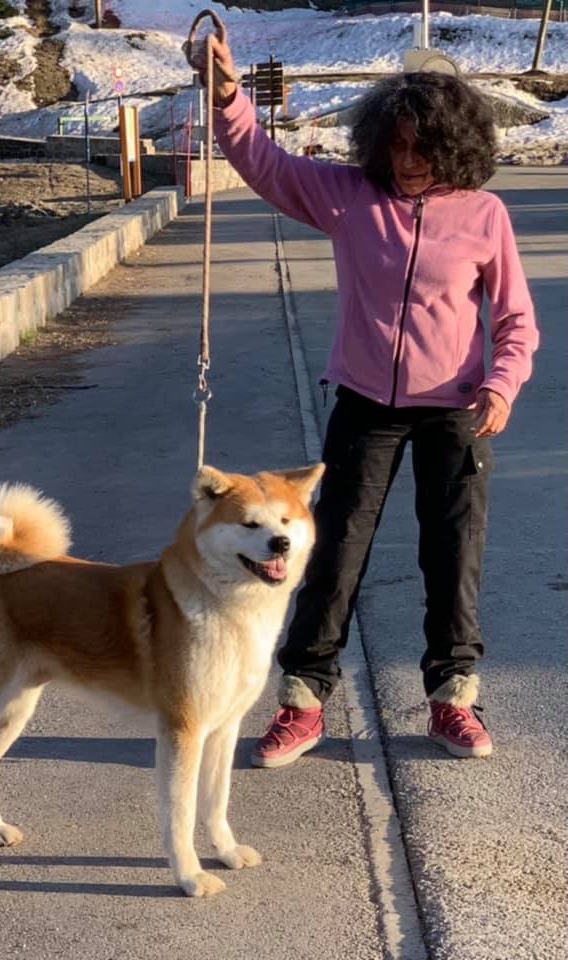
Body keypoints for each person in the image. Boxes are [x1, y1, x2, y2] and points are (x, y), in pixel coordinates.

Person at [197, 28, 539, 763]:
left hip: (457, 409)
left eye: (424, 148)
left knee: (453, 554)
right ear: (378, 142)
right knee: (334, 552)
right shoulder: (350, 198)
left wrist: (502, 383)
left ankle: (453, 700)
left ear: (455, 145)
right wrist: (227, 97)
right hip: (364, 405)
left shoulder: (484, 216)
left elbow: (514, 320)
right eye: (397, 146)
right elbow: (265, 162)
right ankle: (304, 700)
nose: (408, 162)